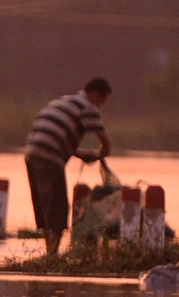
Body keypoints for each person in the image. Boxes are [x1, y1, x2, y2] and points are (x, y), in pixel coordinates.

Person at [24, 77, 113, 255]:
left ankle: (50, 252)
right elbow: (106, 142)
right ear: (95, 95)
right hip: (49, 156)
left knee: (45, 206)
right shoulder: (87, 106)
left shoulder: (62, 101)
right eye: (101, 101)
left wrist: (84, 155)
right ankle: (52, 255)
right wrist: (101, 154)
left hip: (32, 153)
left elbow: (58, 138)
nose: (99, 106)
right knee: (57, 208)